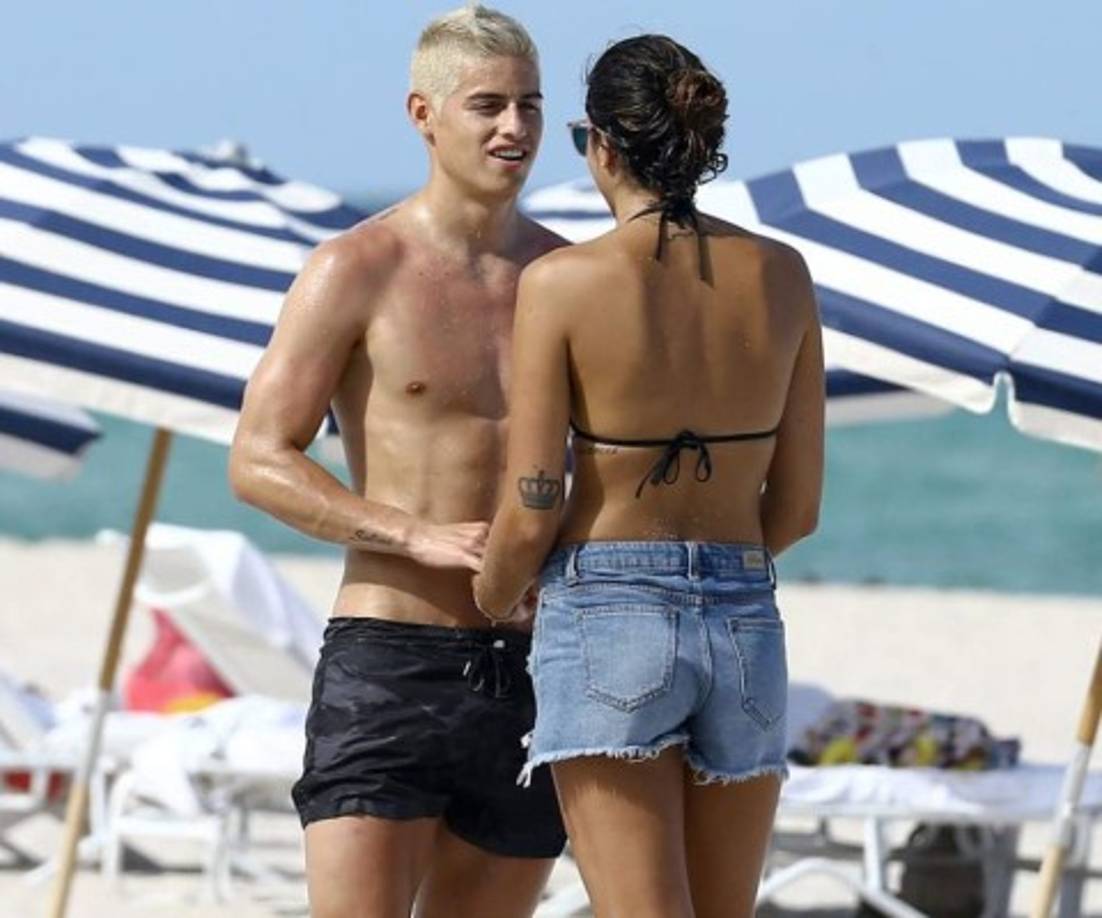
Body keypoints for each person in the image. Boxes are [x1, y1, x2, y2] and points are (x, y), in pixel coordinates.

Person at [472, 34, 824, 918]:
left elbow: (533, 501)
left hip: (609, 605)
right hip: (744, 615)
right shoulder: (783, 275)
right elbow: (797, 508)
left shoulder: (562, 282)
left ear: (600, 143)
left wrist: (495, 594)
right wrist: (716, 569)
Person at [228, 6, 567, 917]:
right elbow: (258, 458)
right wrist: (413, 535)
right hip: (390, 661)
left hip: (541, 666)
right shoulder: (357, 267)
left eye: (530, 105)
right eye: (487, 105)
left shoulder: (570, 280)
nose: (515, 127)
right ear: (423, 114)